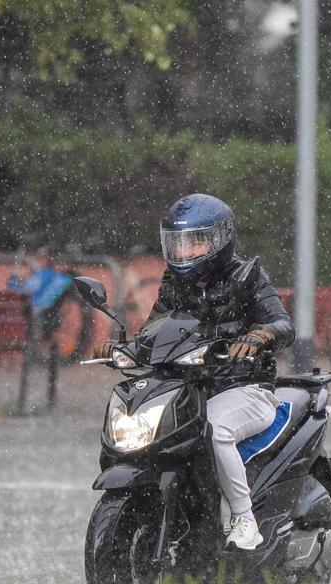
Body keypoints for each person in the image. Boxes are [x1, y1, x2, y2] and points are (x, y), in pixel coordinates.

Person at [95, 193, 295, 550]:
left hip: (245, 387)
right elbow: (155, 331)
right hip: (191, 387)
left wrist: (261, 335)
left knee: (213, 429)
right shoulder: (175, 284)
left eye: (196, 242)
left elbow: (282, 323)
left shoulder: (247, 277)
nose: (186, 252)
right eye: (179, 244)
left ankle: (244, 519)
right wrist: (122, 349)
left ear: (221, 239)